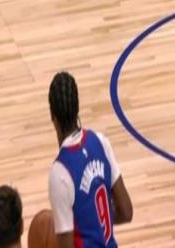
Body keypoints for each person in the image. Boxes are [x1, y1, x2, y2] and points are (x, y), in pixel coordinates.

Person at [48, 71, 133, 248]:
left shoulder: (60, 172)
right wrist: (95, 220)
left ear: (52, 115)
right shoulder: (101, 142)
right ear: (77, 108)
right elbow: (126, 211)